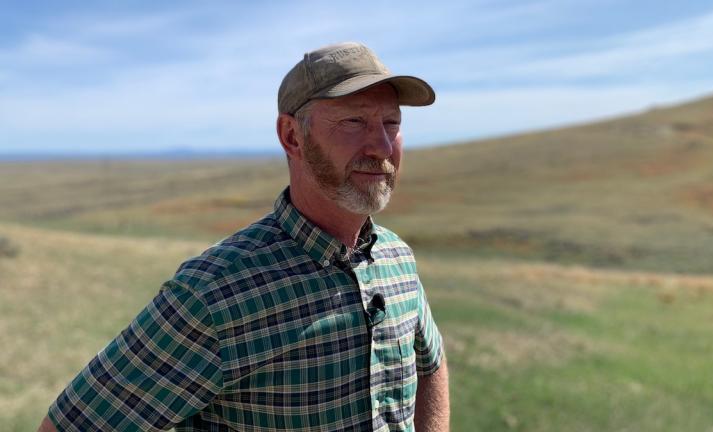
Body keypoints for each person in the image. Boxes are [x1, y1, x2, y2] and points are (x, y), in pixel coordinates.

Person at [38, 41, 449, 432]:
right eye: (354, 121)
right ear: (292, 137)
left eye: (392, 122)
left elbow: (431, 366)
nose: (380, 145)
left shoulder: (397, 257)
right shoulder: (214, 293)